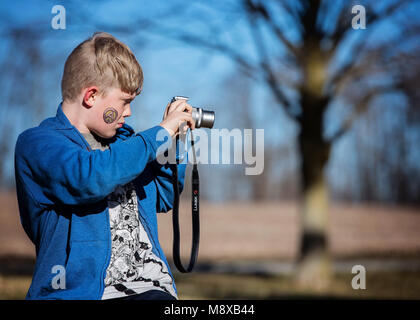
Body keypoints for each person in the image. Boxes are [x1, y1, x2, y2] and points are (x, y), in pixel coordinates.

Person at [14, 32, 195, 300]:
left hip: (152, 291)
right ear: (91, 96)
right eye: (125, 102)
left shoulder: (128, 145)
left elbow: (164, 197)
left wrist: (172, 142)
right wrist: (157, 134)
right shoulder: (38, 145)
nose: (129, 112)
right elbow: (89, 176)